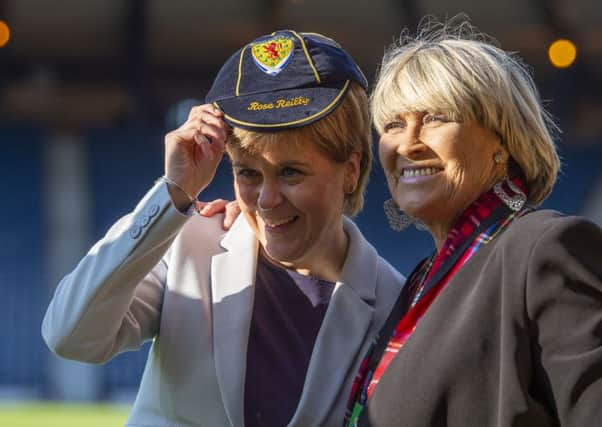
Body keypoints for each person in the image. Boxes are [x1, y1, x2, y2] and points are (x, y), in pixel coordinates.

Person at [41, 30, 404, 427]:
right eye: (247, 173)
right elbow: (70, 335)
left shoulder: (396, 308)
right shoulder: (191, 243)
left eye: (290, 173)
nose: (266, 200)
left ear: (350, 170)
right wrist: (174, 194)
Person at [344, 18, 602, 427]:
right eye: (394, 124)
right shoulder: (419, 283)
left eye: (435, 118)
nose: (408, 143)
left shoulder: (543, 249)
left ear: (503, 140)